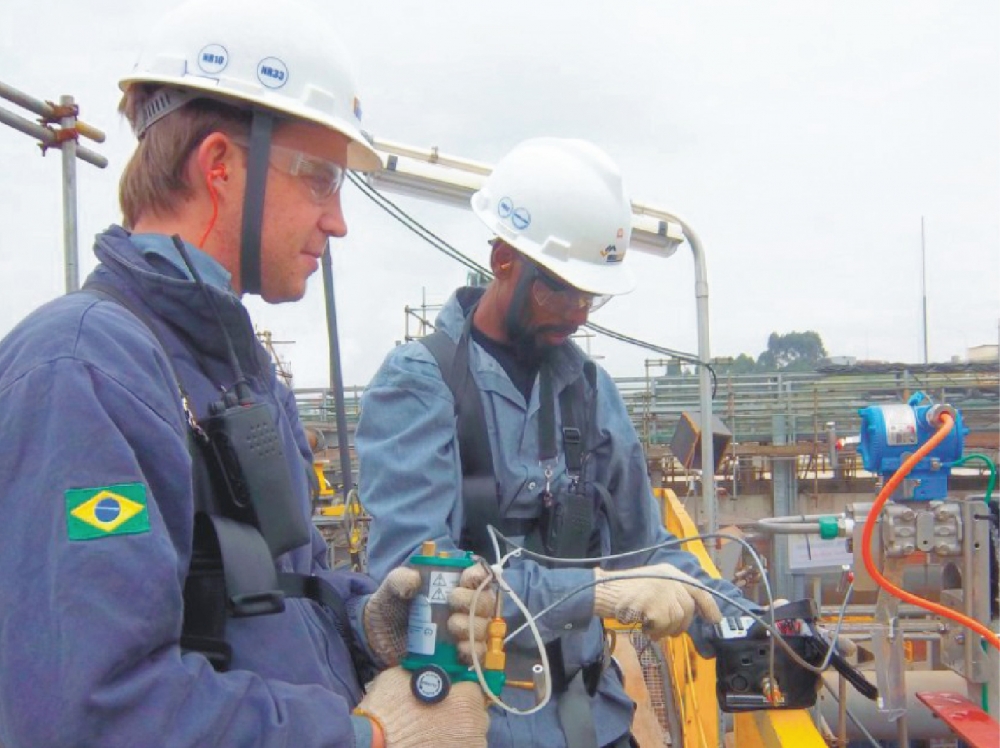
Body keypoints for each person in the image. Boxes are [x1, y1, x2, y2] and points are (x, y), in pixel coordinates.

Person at [0, 1, 489, 746]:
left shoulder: (236, 370)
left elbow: (268, 597)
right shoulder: (84, 370)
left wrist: (366, 620)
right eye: (320, 178)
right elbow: (96, 712)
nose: (339, 221)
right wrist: (367, 738)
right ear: (221, 164)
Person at [355, 137, 746, 748]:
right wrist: (593, 593)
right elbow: (421, 592)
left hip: (591, 715)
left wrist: (753, 626)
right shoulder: (419, 385)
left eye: (590, 294)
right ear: (503, 257)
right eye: (558, 288)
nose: (577, 312)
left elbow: (648, 547)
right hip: (480, 725)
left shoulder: (589, 390)